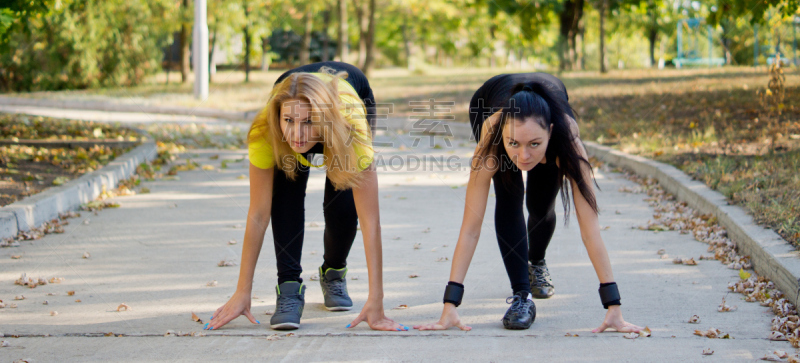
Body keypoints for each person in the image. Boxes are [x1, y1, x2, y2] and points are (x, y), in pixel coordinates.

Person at [416, 73, 641, 331]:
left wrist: (614, 306)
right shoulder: (493, 137)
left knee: (541, 206)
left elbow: (591, 232)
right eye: (515, 144)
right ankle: (522, 296)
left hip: (546, 118)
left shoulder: (568, 143)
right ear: (504, 134)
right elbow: (470, 229)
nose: (523, 156)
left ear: (551, 133)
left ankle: (537, 261)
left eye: (534, 144)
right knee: (509, 196)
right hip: (489, 99)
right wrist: (450, 305)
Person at [205, 62, 406, 332]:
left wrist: (376, 301)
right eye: (288, 120)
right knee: (285, 195)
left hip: (346, 108)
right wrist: (242, 291)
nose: (297, 135)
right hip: (295, 93)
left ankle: (333, 271)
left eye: (308, 122)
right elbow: (258, 214)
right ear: (278, 116)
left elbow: (371, 221)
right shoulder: (266, 130)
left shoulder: (351, 126)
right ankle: (288, 288)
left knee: (343, 204)